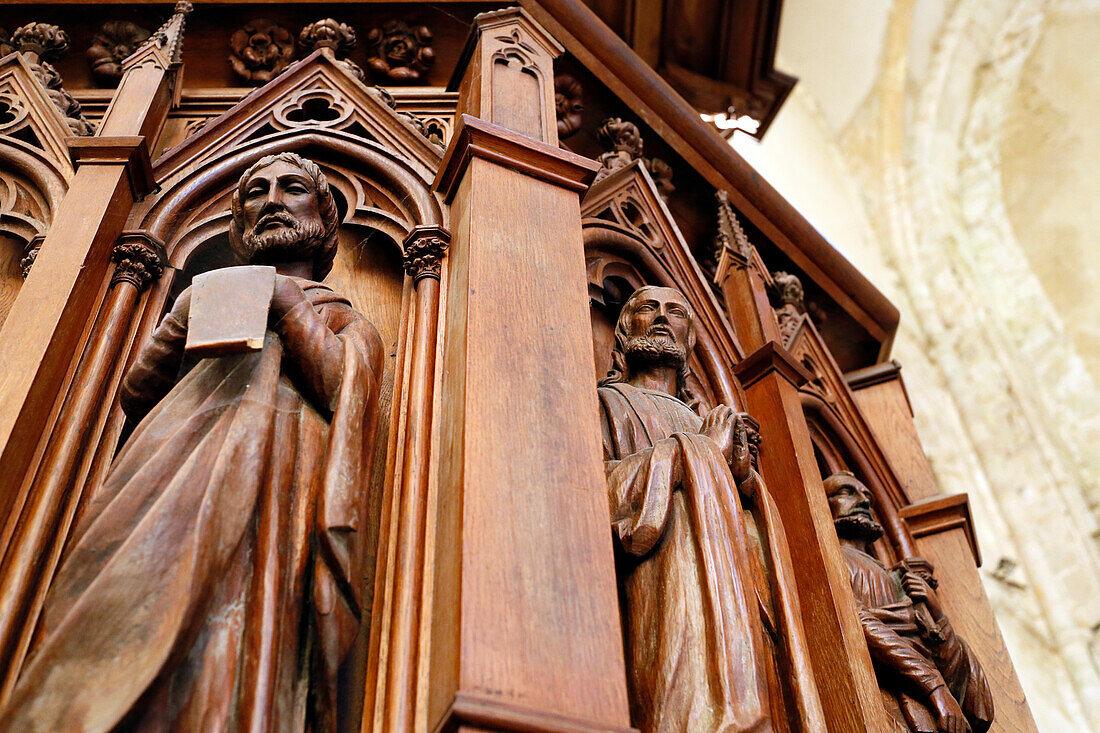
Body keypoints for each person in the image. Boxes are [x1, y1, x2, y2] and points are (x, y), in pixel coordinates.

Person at [1, 152, 384, 732]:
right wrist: (184, 317)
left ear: (326, 218)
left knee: (231, 624)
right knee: (121, 597)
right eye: (255, 192)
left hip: (269, 491)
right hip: (165, 471)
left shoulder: (345, 320)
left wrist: (285, 308)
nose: (272, 200)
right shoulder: (202, 292)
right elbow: (137, 393)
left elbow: (346, 391)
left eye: (292, 188)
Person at [597, 285, 823, 732]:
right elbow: (594, 491)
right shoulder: (606, 402)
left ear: (690, 337)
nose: (662, 317)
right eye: (647, 308)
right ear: (623, 333)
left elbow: (752, 528)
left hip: (735, 584)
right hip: (667, 577)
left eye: (675, 311)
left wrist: (742, 478)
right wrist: (699, 452)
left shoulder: (710, 419)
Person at [824, 471, 994, 733]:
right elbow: (855, 620)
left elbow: (975, 704)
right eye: (847, 492)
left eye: (868, 495)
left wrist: (936, 612)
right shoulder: (830, 558)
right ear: (821, 503)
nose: (865, 501)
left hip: (929, 713)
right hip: (873, 703)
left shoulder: (899, 579)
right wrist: (934, 687)